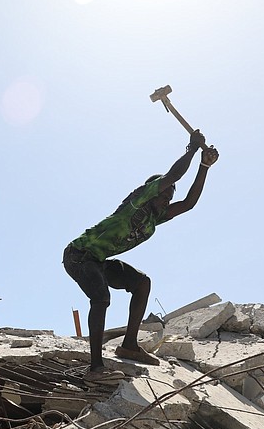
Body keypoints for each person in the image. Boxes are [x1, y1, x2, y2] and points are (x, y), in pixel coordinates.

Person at [63, 130, 219, 381]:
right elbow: (173, 175)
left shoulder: (155, 218)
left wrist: (204, 166)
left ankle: (130, 345)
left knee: (142, 282)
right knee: (101, 298)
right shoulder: (139, 199)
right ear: (153, 190)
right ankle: (95, 368)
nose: (168, 199)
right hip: (79, 255)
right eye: (165, 194)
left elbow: (189, 203)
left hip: (99, 261)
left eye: (170, 197)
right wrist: (191, 150)